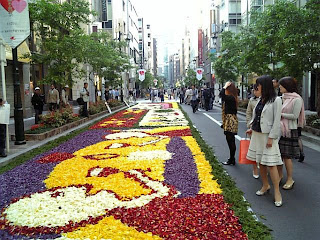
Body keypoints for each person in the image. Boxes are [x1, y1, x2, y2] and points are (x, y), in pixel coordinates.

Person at [246, 75, 283, 207]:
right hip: (257, 134)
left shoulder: (276, 100)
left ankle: (277, 192)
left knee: (271, 165)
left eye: (258, 85)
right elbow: (257, 116)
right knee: (260, 162)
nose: (256, 87)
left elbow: (276, 121)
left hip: (268, 136)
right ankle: (265, 185)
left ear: (265, 86)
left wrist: (272, 137)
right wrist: (251, 128)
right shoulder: (260, 99)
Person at [277, 76, 305, 190]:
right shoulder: (281, 98)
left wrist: (280, 114)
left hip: (289, 130)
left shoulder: (297, 99)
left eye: (281, 86)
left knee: (287, 156)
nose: (279, 87)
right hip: (279, 129)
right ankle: (279, 175)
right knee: (278, 156)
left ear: (287, 86)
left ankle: (290, 179)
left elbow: (294, 116)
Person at [220, 82, 238, 166]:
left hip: (230, 121)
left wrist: (225, 86)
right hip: (229, 120)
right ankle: (232, 159)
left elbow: (222, 95)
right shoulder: (232, 97)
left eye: (227, 89)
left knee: (230, 140)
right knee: (230, 140)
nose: (225, 90)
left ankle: (232, 159)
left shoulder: (230, 97)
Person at [245, 84, 260, 179]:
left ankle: (262, 166)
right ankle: (255, 168)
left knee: (263, 151)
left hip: (263, 130)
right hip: (253, 128)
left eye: (256, 90)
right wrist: (249, 124)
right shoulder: (252, 100)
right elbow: (248, 113)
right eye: (254, 90)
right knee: (254, 150)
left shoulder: (269, 100)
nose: (254, 92)